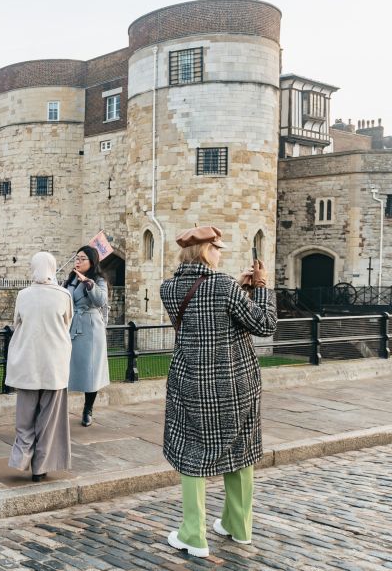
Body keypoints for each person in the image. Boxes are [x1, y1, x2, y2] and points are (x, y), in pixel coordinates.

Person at [160, 225, 276, 558]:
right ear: (206, 251)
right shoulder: (224, 287)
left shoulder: (168, 288)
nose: (220, 253)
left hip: (191, 383)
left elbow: (204, 312)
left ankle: (194, 535)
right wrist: (261, 287)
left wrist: (239, 288)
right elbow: (264, 325)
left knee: (191, 453)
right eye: (218, 248)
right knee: (241, 450)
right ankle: (239, 527)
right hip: (236, 383)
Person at [5, 251, 74, 481]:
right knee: (49, 419)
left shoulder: (23, 295)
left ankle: (21, 458)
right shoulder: (63, 295)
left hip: (28, 362)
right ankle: (40, 466)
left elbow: (17, 323)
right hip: (54, 362)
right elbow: (67, 323)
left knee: (25, 416)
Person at [63, 245, 110, 427]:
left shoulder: (98, 280)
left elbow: (100, 300)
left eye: (83, 258)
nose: (78, 261)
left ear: (92, 262)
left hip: (91, 327)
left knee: (91, 369)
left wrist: (87, 282)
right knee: (65, 366)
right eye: (77, 257)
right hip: (71, 324)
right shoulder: (70, 279)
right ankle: (59, 409)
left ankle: (87, 410)